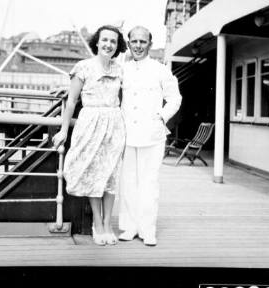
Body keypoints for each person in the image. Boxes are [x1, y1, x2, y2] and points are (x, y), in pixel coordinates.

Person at [52, 25, 128, 246]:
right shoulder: (83, 67)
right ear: (97, 42)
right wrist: (64, 130)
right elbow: (73, 101)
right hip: (90, 124)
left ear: (117, 46)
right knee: (94, 173)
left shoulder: (121, 69)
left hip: (114, 124)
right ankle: (97, 222)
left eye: (113, 41)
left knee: (111, 175)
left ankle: (107, 223)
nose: (108, 45)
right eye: (104, 40)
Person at [118, 26, 182, 246]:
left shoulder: (160, 69)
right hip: (127, 134)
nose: (138, 46)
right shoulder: (122, 69)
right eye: (134, 41)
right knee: (128, 182)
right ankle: (129, 227)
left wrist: (161, 117)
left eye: (142, 42)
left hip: (152, 135)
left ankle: (148, 229)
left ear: (150, 44)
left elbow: (174, 98)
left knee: (149, 183)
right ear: (128, 44)